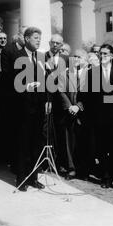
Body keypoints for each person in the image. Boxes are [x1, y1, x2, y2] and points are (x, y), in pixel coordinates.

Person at [13, 27, 48, 191]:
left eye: (39, 38)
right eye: (35, 38)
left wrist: (48, 100)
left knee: (36, 143)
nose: (38, 41)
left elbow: (46, 80)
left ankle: (33, 177)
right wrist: (25, 86)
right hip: (24, 107)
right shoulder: (17, 57)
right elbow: (9, 82)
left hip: (39, 107)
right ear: (26, 39)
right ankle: (21, 178)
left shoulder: (41, 57)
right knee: (23, 143)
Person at [90, 43, 113, 193]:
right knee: (102, 148)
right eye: (101, 53)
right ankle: (106, 177)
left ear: (112, 56)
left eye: (106, 54)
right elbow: (91, 96)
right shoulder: (94, 72)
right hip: (100, 117)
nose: (102, 56)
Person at [59, 49, 89, 180]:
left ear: (86, 60)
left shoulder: (92, 74)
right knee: (69, 141)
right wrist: (70, 106)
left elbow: (91, 95)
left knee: (84, 142)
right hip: (69, 112)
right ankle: (72, 168)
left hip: (84, 113)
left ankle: (84, 169)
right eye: (74, 57)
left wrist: (79, 106)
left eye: (79, 57)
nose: (76, 59)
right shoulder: (66, 73)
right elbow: (61, 91)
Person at [0, 32, 25, 166]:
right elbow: (7, 73)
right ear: (19, 36)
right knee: (11, 129)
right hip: (12, 96)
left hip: (25, 97)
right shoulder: (9, 50)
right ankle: (10, 159)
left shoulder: (29, 51)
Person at [45, 34, 69, 174]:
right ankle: (46, 161)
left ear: (61, 45)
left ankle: (60, 163)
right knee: (46, 131)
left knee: (60, 132)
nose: (54, 45)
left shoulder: (66, 59)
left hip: (61, 101)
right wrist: (46, 100)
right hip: (47, 99)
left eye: (57, 43)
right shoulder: (41, 57)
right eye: (52, 42)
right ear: (49, 43)